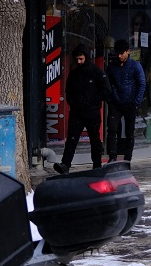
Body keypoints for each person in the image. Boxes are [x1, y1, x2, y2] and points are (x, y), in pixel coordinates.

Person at [53, 44, 111, 175]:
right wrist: (74, 103)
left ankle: (97, 164)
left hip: (92, 112)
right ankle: (65, 164)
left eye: (81, 59)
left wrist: (91, 101)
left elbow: (106, 91)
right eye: (77, 59)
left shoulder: (97, 72)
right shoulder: (74, 74)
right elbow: (69, 92)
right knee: (72, 139)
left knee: (94, 139)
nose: (79, 62)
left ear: (86, 57)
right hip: (77, 112)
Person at [107, 38, 146, 162]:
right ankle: (112, 158)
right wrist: (110, 99)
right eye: (117, 53)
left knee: (129, 133)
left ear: (128, 52)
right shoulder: (112, 66)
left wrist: (136, 102)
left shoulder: (135, 66)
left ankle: (127, 158)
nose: (119, 56)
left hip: (130, 104)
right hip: (115, 103)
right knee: (112, 130)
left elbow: (142, 84)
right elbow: (107, 84)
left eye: (121, 53)